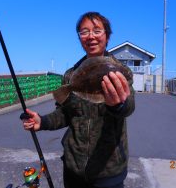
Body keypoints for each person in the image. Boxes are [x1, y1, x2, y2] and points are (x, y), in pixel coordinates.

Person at [23, 12, 135, 188]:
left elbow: (129, 106)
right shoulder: (70, 75)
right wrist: (42, 121)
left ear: (107, 36)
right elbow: (65, 114)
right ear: (79, 37)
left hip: (108, 171)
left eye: (97, 30)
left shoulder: (117, 69)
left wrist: (118, 104)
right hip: (73, 169)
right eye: (84, 32)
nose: (91, 36)